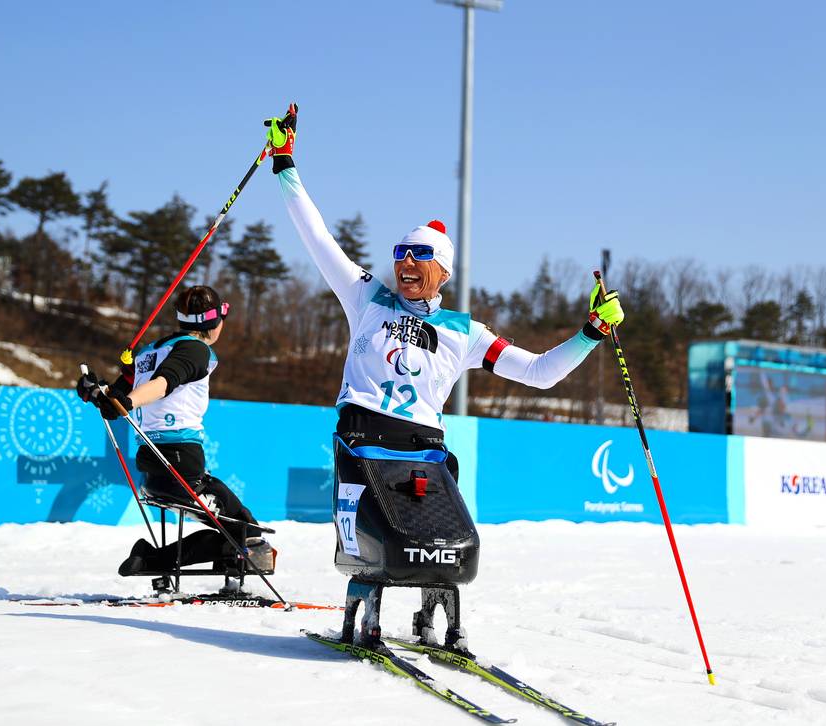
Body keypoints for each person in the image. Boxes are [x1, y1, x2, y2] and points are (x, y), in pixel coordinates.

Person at [265, 104, 625, 649]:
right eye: (401, 253)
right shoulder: (366, 296)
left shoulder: (465, 331)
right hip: (364, 435)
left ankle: (436, 608)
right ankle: (369, 604)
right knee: (379, 540)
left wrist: (590, 333)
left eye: (420, 256)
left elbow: (539, 374)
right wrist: (285, 164)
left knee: (449, 542)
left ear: (443, 270)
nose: (406, 264)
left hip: (424, 448)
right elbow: (317, 237)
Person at [75, 285, 274, 579]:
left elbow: (114, 398)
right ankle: (153, 558)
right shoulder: (195, 349)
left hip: (151, 465)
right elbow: (163, 384)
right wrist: (126, 402)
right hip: (181, 463)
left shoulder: (149, 352)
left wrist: (97, 392)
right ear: (213, 322)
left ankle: (150, 557)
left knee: (235, 526)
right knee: (248, 532)